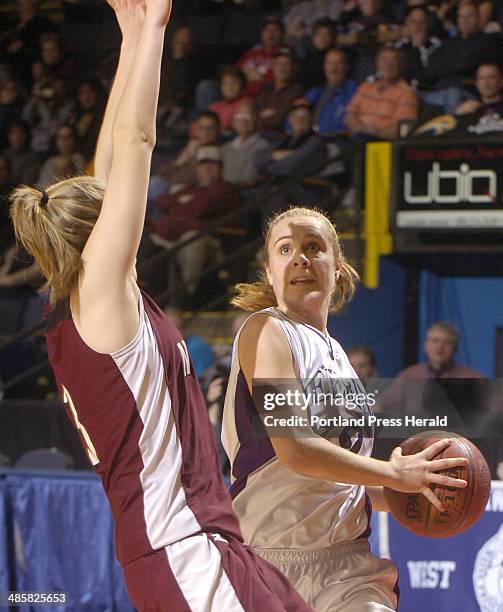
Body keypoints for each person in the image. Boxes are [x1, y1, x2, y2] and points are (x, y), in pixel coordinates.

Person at [8, 2, 313, 611]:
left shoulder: (84, 308)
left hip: (204, 544)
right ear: (99, 234)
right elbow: (136, 142)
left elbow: (111, 158)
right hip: (183, 551)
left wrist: (128, 35)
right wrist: (153, 32)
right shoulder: (99, 299)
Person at [222, 206, 468, 610]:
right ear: (269, 271)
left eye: (313, 247)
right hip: (270, 559)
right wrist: (392, 472)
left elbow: (337, 482)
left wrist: (413, 490)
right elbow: (295, 448)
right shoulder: (266, 330)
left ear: (337, 266)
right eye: (285, 249)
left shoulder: (339, 358)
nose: (300, 257)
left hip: (347, 563)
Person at [345, 46, 418, 139]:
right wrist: (363, 129)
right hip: (358, 135)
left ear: (400, 65)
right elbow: (349, 116)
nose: (388, 65)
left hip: (381, 141)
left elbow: (402, 129)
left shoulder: (406, 93)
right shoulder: (366, 86)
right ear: (377, 63)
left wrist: (376, 133)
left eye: (394, 61)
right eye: (384, 60)